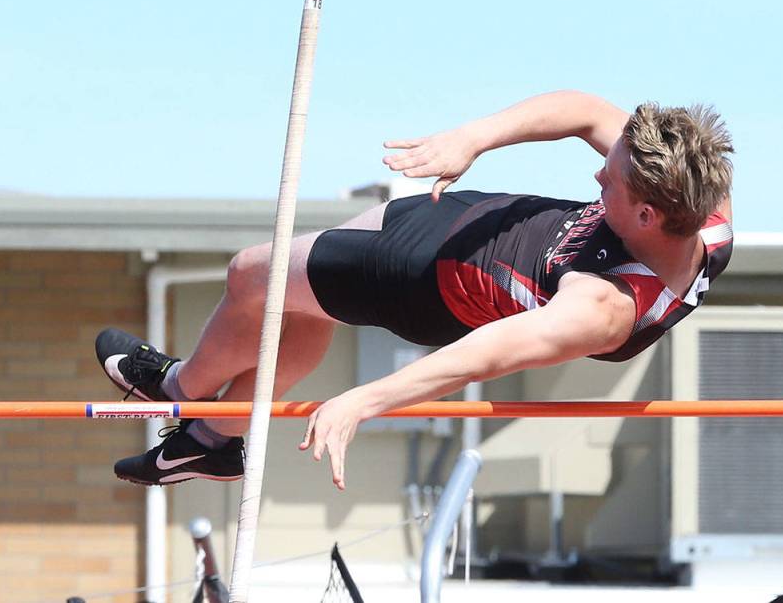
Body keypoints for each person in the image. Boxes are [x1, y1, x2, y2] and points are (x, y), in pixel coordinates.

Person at [96, 90, 734, 489]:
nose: (599, 172)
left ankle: (180, 389)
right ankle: (210, 440)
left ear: (648, 217)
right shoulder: (702, 201)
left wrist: (363, 401)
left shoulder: (605, 307)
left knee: (250, 274)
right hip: (474, 219)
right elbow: (587, 111)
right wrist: (473, 138)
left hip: (426, 278)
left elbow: (484, 355)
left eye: (610, 184)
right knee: (298, 293)